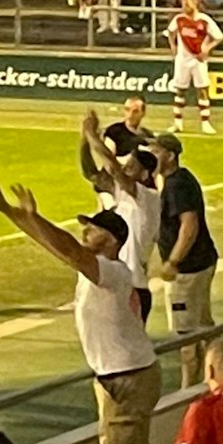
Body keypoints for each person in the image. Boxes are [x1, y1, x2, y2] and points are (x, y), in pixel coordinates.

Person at [0, 181, 163, 444]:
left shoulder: (112, 272)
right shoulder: (99, 270)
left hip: (125, 379)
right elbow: (56, 247)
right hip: (126, 375)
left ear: (112, 239)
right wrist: (17, 216)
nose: (86, 231)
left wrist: (33, 215)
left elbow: (67, 249)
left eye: (94, 228)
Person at [80, 111, 161, 322]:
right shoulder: (125, 193)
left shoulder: (148, 198)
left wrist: (92, 134)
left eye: (131, 167)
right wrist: (83, 139)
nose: (126, 168)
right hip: (120, 281)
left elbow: (113, 167)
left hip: (135, 286)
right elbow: (91, 173)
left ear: (144, 175)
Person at [155, 131, 220, 387]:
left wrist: (173, 261)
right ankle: (215, 373)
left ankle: (189, 388)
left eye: (157, 151)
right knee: (204, 324)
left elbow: (189, 225)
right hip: (202, 262)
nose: (152, 156)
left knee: (185, 333)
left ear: (170, 156)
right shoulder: (180, 179)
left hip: (187, 271)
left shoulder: (176, 185)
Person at [168, 0, 223, 135]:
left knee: (202, 90)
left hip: (198, 60)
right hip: (182, 60)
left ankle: (205, 123)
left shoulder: (205, 20)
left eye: (187, 1)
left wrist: (207, 48)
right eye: (183, 2)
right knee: (179, 90)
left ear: (195, 2)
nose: (185, 4)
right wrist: (173, 46)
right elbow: (170, 32)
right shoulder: (178, 19)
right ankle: (177, 123)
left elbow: (219, 36)